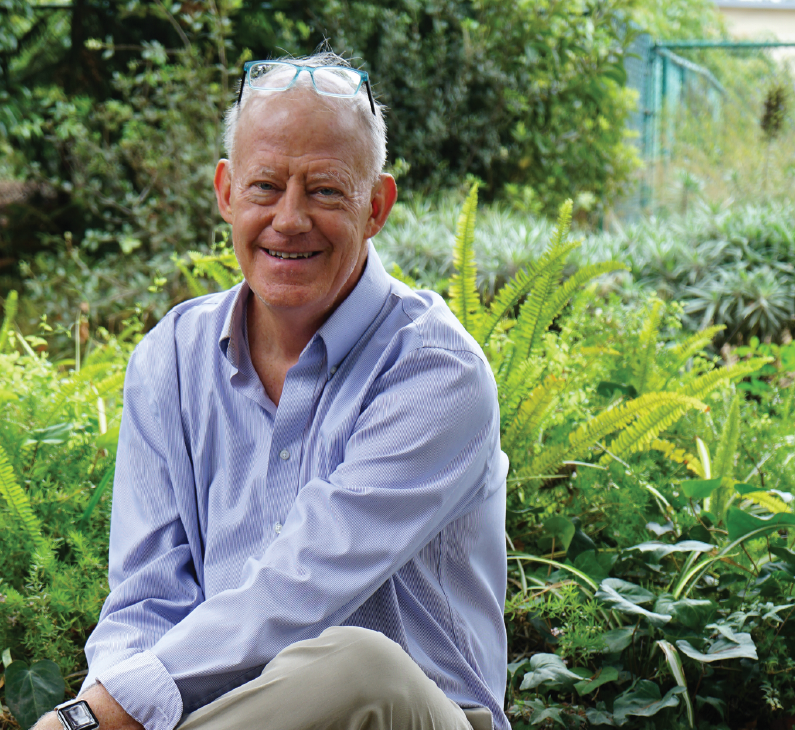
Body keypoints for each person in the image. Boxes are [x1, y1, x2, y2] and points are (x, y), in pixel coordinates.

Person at [33, 51, 510, 730]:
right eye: (265, 187)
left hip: (410, 717)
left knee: (358, 667)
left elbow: (302, 587)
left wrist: (93, 719)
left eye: (324, 191)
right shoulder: (171, 358)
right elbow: (144, 601)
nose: (289, 220)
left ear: (376, 206)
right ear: (226, 193)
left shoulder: (435, 372)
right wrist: (100, 713)